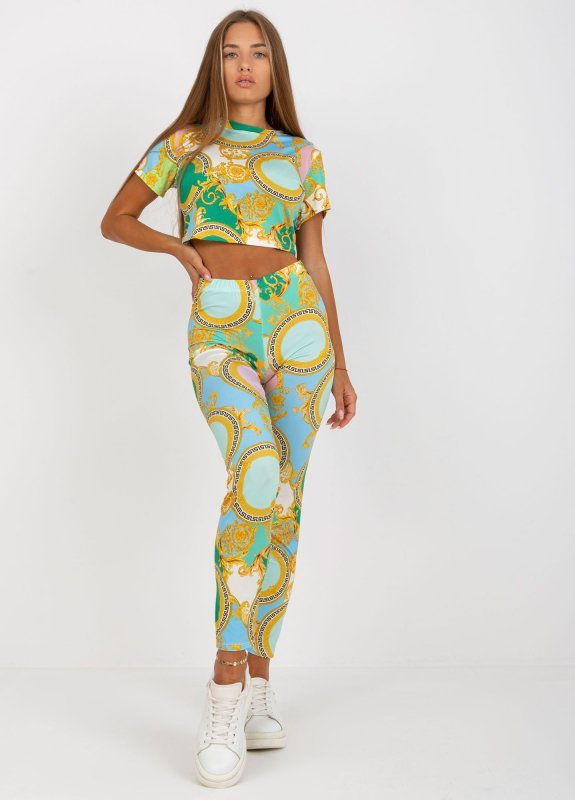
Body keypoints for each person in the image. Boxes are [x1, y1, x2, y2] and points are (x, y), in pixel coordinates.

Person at [100, 8, 357, 788]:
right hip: (220, 324)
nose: (245, 64)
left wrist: (343, 366)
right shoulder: (186, 144)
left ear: (275, 68)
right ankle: (224, 687)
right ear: (215, 67)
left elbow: (316, 263)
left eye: (258, 53)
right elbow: (115, 220)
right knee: (254, 474)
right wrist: (178, 247)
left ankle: (262, 682)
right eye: (230, 53)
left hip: (299, 329)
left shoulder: (302, 156)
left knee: (284, 502)